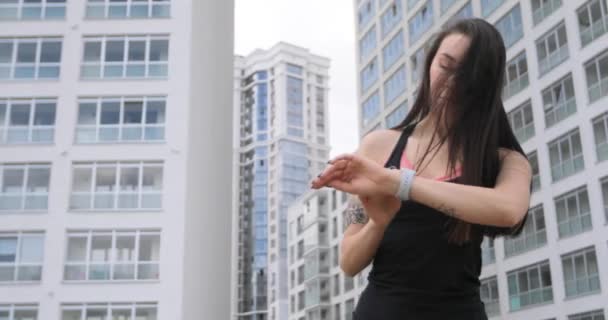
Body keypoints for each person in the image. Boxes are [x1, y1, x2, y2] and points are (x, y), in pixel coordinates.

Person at [311, 18, 533, 320]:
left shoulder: (504, 160)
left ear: (484, 86)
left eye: (467, 75)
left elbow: (508, 210)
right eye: (446, 65)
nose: (453, 83)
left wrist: (397, 182)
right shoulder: (378, 146)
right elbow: (349, 262)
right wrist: (379, 222)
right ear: (430, 63)